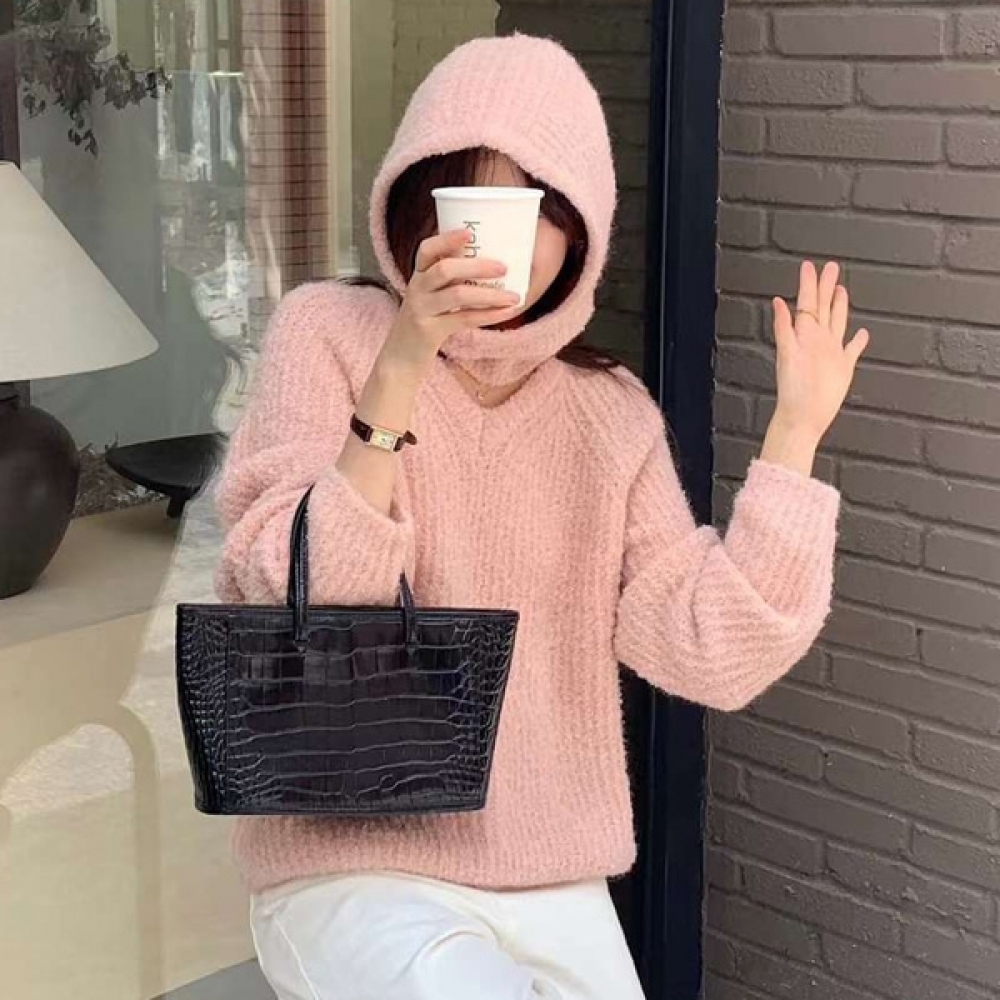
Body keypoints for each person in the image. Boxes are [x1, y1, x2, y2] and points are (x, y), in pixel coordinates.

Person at [214, 34, 869, 1000]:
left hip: (553, 871)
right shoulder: (327, 332)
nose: (497, 245)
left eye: (533, 212)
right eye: (467, 205)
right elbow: (292, 591)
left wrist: (795, 438)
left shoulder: (611, 413)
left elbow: (708, 650)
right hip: (352, 852)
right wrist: (402, 364)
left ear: (577, 230)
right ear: (416, 209)